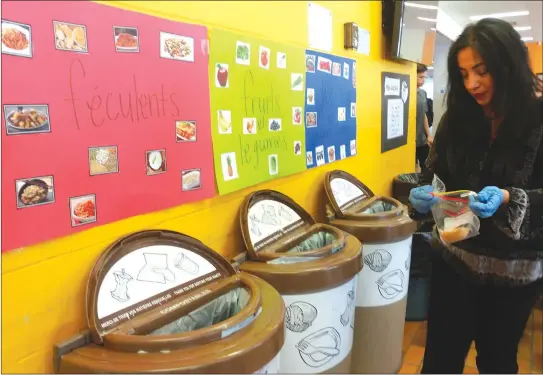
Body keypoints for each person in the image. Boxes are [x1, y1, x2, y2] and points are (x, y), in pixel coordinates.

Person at [409, 18, 543, 374]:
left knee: (498, 361)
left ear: (508, 65)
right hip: (454, 261)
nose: (471, 84)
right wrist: (424, 195)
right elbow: (434, 176)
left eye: (481, 71)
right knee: (440, 360)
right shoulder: (457, 120)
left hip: (514, 276)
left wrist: (508, 198)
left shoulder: (538, 121)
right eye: (463, 73)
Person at [416, 64, 433, 172]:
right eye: (420, 77)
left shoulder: (422, 93)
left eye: (424, 77)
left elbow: (424, 115)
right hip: (409, 141)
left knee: (427, 167)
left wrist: (429, 135)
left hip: (422, 138)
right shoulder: (405, 92)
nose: (423, 80)